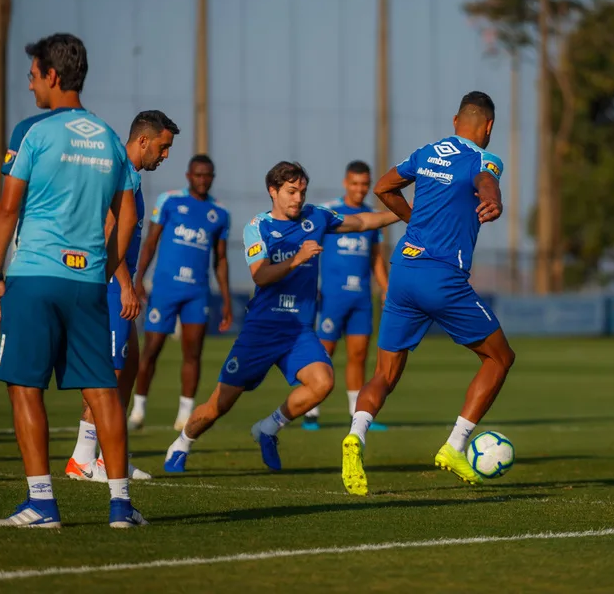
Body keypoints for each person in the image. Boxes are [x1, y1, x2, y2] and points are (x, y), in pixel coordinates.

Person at [0, 33, 146, 528]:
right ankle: (121, 506)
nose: (30, 85)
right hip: (86, 282)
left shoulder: (33, 132)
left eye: (33, 76)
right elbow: (128, 214)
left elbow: (8, 207)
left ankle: (41, 504)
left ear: (53, 76)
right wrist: (103, 263)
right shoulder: (107, 138)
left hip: (34, 276)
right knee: (102, 389)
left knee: (23, 386)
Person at [163, 162, 398, 473]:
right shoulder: (256, 227)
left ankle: (269, 427)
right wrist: (297, 258)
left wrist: (405, 212)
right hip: (261, 330)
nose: (297, 199)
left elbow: (362, 222)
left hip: (298, 330)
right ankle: (182, 443)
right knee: (220, 404)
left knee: (322, 382)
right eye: (290, 192)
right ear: (272, 191)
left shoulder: (316, 217)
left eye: (301, 192)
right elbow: (260, 276)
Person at [341, 91, 515, 497]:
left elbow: (385, 187)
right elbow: (486, 179)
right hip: (442, 277)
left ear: (456, 121)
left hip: (403, 271)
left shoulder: (426, 152)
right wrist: (494, 199)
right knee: (500, 358)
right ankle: (455, 446)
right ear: (488, 127)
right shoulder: (485, 157)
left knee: (384, 374)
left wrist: (413, 219)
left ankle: (356, 435)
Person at [65, 110, 180, 482]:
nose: (165, 156)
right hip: (110, 283)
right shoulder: (118, 172)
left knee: (126, 369)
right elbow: (107, 234)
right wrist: (127, 284)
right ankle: (86, 457)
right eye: (163, 148)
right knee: (111, 372)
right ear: (143, 141)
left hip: (121, 282)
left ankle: (107, 456)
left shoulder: (131, 175)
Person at [130, 154, 234, 431]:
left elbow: (220, 260)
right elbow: (150, 243)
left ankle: (184, 413)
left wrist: (226, 299)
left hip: (197, 293)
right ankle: (138, 410)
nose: (202, 180)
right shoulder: (169, 201)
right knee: (151, 349)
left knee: (193, 352)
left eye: (207, 175)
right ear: (188, 176)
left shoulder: (220, 213)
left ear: (212, 178)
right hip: (164, 289)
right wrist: (139, 279)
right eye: (198, 175)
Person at [301, 160, 390, 432]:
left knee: (359, 354)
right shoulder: (331, 213)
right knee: (324, 352)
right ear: (345, 183)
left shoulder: (372, 218)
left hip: (361, 298)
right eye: (355, 183)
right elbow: (312, 249)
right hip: (332, 296)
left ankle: (357, 413)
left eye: (365, 184)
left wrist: (385, 287)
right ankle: (311, 411)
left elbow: (376, 258)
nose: (360, 189)